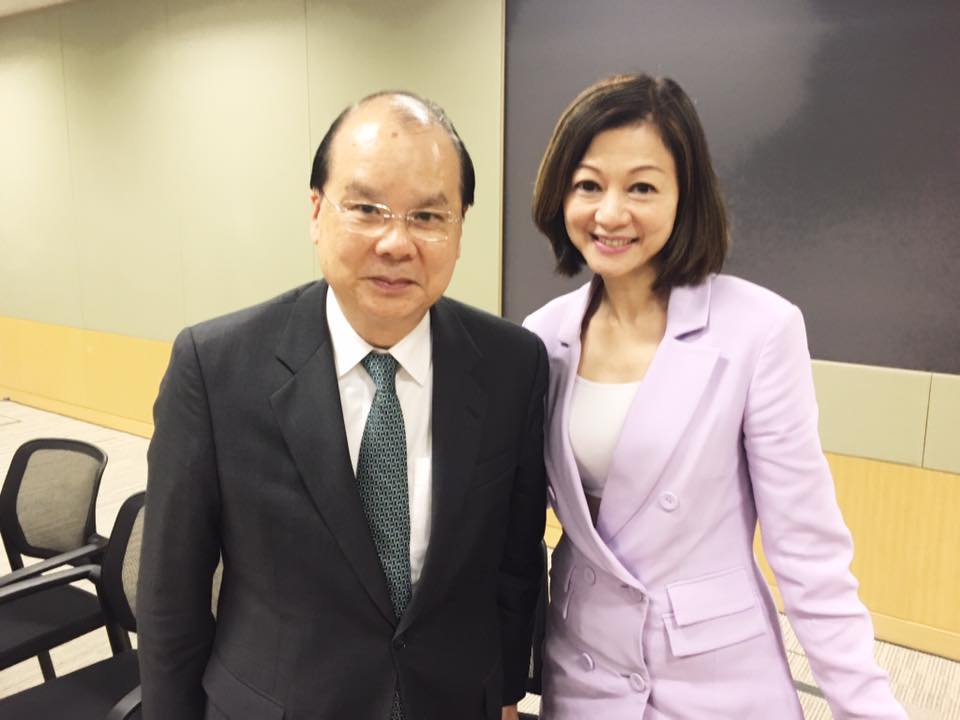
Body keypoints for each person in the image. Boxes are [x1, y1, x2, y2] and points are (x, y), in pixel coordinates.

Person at [138, 91, 547, 720]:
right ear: (316, 212)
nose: (395, 242)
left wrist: (510, 693)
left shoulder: (512, 364)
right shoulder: (215, 368)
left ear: (460, 228)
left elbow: (516, 562)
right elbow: (172, 597)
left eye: (428, 216)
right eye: (366, 209)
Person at [523, 74, 906, 719]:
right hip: (584, 670)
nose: (610, 213)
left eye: (642, 187)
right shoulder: (541, 336)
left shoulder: (759, 329)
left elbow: (806, 551)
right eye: (588, 185)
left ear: (686, 195)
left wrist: (866, 709)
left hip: (717, 681)